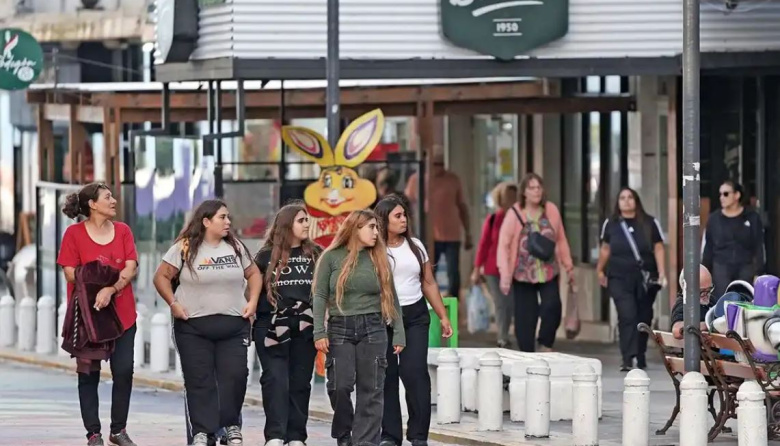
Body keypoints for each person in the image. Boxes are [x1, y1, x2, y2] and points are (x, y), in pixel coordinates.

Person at [153, 199, 261, 446]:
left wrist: (252, 300)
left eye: (228, 217)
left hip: (233, 326)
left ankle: (230, 425)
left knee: (235, 376)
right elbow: (161, 277)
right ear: (206, 221)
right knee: (199, 379)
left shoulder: (235, 247)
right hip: (193, 328)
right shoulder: (184, 247)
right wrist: (173, 303)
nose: (228, 222)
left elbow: (254, 273)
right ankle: (203, 431)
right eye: (222, 217)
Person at [312, 210, 405, 446]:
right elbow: (320, 294)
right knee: (340, 386)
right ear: (356, 228)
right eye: (371, 227)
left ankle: (365, 442)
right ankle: (344, 432)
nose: (376, 232)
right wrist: (318, 332)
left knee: (371, 390)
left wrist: (400, 332)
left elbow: (392, 297)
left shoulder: (378, 257)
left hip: (373, 327)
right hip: (340, 326)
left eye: (377, 227)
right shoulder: (331, 257)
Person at [57, 182, 139, 446]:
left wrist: (111, 288)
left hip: (122, 314)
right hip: (88, 318)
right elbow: (69, 271)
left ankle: (119, 430)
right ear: (92, 205)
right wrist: (97, 282)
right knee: (88, 374)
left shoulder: (124, 231)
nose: (113, 200)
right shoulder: (74, 235)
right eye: (107, 197)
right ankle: (93, 433)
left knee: (124, 371)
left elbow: (131, 267)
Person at [374, 196, 454, 446]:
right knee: (386, 375)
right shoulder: (374, 248)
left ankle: (419, 435)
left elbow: (428, 282)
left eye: (404, 215)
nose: (403, 219)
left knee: (414, 373)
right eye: (397, 216)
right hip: (383, 317)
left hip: (415, 316)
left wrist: (442, 316)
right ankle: (390, 435)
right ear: (384, 220)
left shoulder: (416, 245)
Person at [253, 202, 321, 446]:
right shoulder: (263, 256)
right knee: (275, 380)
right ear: (287, 225)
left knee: (300, 382)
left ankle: (296, 436)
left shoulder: (316, 254)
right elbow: (250, 291)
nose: (306, 225)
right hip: (271, 326)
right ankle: (275, 435)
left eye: (307, 220)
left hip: (306, 326)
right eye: (301, 220)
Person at [497, 173, 573, 353]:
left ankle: (545, 343)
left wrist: (568, 265)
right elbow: (504, 245)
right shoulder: (514, 213)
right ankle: (527, 354)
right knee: (525, 317)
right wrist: (505, 274)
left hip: (548, 270)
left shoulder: (551, 210)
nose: (536, 191)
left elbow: (560, 238)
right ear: (524, 192)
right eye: (531, 188)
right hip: (522, 273)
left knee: (552, 306)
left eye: (539, 187)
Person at [596, 188, 666, 371]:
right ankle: (627, 357)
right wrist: (600, 271)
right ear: (617, 202)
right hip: (619, 277)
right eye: (622, 198)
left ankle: (640, 353)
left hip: (644, 278)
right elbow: (605, 249)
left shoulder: (649, 223)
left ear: (636, 200)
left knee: (643, 315)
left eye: (630, 197)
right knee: (627, 314)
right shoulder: (610, 224)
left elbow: (658, 248)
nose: (626, 201)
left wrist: (662, 272)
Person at [405, 152, 471, 298]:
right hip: (428, 234)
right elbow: (406, 204)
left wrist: (468, 232)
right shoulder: (417, 180)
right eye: (435, 164)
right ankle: (427, 300)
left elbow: (462, 206)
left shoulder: (452, 179)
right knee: (427, 270)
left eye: (441, 164)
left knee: (453, 271)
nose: (438, 168)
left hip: (451, 233)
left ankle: (454, 301)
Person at [471, 182, 519, 348]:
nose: (511, 200)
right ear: (501, 199)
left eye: (514, 197)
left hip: (513, 269)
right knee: (501, 302)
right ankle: (502, 337)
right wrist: (477, 269)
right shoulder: (493, 220)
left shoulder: (520, 219)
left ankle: (506, 334)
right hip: (492, 269)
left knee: (510, 303)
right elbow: (483, 245)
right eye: (508, 197)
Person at [702, 180, 765, 298]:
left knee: (745, 302)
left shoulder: (752, 218)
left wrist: (759, 272)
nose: (722, 197)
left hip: (745, 268)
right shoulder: (714, 219)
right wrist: (704, 273)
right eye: (720, 194)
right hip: (721, 268)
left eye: (726, 194)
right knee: (722, 303)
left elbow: (758, 246)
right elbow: (708, 248)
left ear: (737, 195)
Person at [671, 265, 715, 339]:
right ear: (686, 289)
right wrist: (708, 325)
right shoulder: (683, 304)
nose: (706, 295)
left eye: (709, 289)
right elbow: (677, 330)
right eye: (702, 291)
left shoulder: (711, 300)